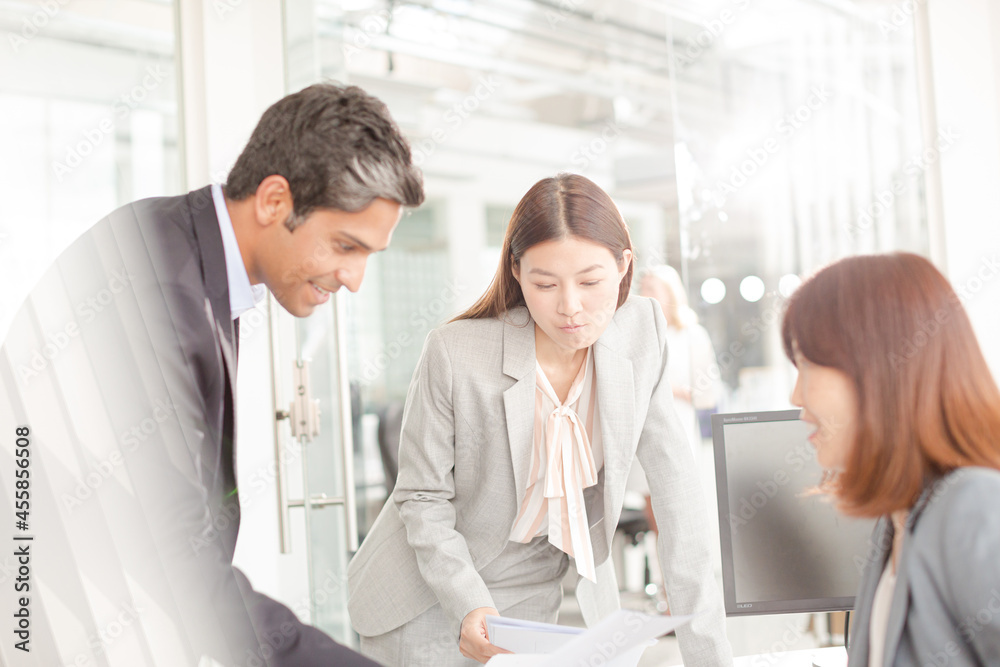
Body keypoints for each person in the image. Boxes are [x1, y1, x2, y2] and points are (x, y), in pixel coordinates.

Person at [0, 83, 423, 666]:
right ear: (274, 201)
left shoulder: (185, 254)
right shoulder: (156, 284)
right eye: (345, 246)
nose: (354, 279)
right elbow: (173, 562)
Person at [347, 174, 732, 666]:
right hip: (427, 590)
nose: (570, 307)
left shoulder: (643, 333)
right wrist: (468, 601)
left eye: (590, 282)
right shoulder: (456, 351)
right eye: (545, 284)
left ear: (623, 266)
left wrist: (711, 659)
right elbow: (422, 496)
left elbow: (679, 498)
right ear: (516, 271)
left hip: (532, 589)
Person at [780, 252, 1000, 667]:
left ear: (877, 368)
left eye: (806, 364)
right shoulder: (896, 522)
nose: (796, 396)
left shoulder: (974, 505)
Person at [629, 264, 720, 531]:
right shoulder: (638, 335)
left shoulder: (692, 335)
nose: (644, 294)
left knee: (678, 512)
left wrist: (667, 388)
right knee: (652, 509)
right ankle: (659, 560)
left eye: (651, 288)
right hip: (642, 431)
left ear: (669, 292)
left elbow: (705, 394)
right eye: (642, 288)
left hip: (678, 429)